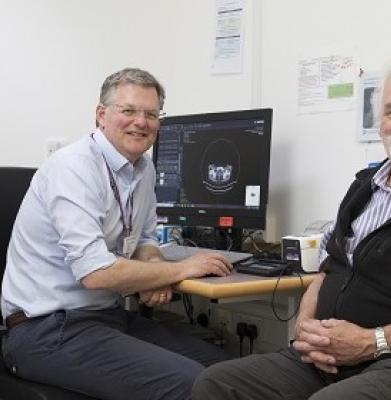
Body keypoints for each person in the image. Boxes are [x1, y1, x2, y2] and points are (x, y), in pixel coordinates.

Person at [191, 56, 391, 400]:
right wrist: (306, 327)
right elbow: (327, 268)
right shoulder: (364, 188)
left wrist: (371, 343)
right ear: (381, 125)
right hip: (331, 361)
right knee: (216, 384)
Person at [1, 68, 233, 400]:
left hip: (107, 318)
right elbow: (95, 273)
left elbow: (144, 239)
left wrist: (152, 273)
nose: (141, 122)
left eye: (151, 114)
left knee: (227, 372)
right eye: (128, 111)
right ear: (101, 115)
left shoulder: (144, 168)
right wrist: (181, 268)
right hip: (47, 330)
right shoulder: (73, 168)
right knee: (194, 385)